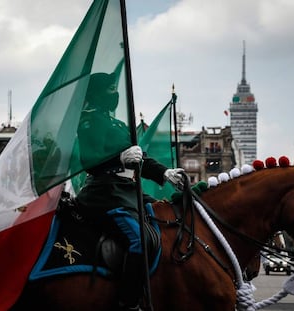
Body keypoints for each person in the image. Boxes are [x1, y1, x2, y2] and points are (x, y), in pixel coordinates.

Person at [76, 72, 184, 311]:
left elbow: (139, 159)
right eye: (108, 89)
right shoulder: (88, 121)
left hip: (127, 190)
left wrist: (165, 173)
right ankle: (128, 302)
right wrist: (118, 159)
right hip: (104, 193)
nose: (114, 93)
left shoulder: (117, 124)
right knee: (141, 240)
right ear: (95, 94)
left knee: (168, 218)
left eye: (115, 88)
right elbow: (88, 159)